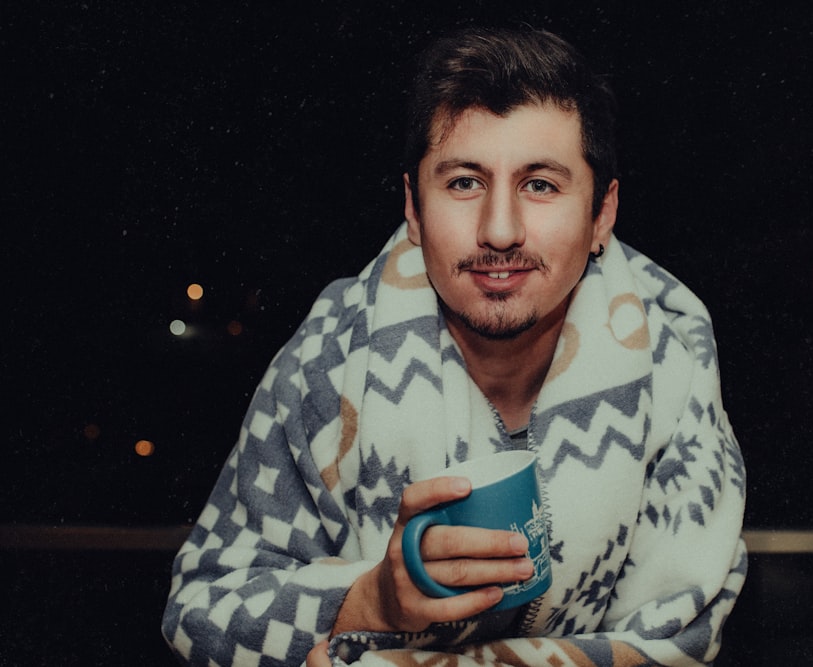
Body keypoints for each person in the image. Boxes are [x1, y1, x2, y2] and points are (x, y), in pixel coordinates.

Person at [162, 26, 747, 667]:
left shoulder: (671, 363)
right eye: (465, 182)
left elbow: (683, 640)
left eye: (541, 185)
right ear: (413, 207)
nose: (500, 230)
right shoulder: (327, 365)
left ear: (602, 214)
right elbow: (201, 609)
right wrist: (371, 601)